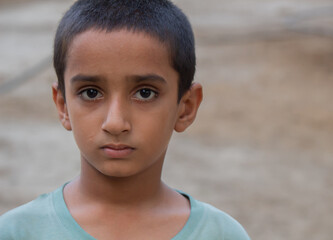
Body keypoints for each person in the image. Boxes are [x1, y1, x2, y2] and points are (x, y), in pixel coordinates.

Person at [0, 0, 251, 239]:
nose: (115, 122)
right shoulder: (17, 232)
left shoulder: (221, 235)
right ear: (63, 105)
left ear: (185, 108)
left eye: (145, 93)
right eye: (91, 93)